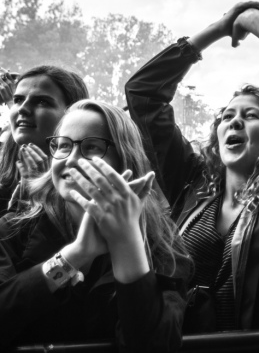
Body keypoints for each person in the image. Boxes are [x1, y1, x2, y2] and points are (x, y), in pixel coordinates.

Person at [125, 2, 259, 331]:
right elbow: (144, 93)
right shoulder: (191, 183)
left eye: (251, 115)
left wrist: (256, 23)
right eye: (227, 117)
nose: (234, 121)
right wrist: (219, 29)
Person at [0, 100, 190, 351]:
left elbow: (153, 345)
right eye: (63, 146)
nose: (72, 159)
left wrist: (126, 242)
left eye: (91, 147)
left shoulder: (161, 239)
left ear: (124, 159)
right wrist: (75, 254)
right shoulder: (12, 229)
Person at [0, 66, 89, 215]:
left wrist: (38, 192)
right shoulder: (6, 171)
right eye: (18, 99)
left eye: (42, 101)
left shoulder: (84, 185)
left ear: (72, 113)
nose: (22, 109)